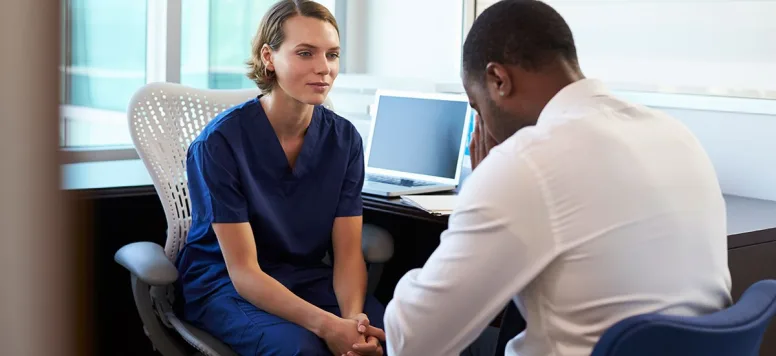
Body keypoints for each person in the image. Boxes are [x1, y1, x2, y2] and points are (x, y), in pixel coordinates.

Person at [377, 1, 733, 355]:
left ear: (498, 80)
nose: (481, 124)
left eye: (476, 106)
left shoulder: (525, 164)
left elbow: (413, 342)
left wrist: (482, 189)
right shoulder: (676, 135)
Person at [175, 1, 385, 355]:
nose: (324, 68)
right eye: (305, 53)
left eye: (332, 55)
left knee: (395, 335)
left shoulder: (344, 140)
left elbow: (348, 255)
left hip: (303, 278)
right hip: (227, 286)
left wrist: (354, 323)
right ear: (269, 57)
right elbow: (244, 272)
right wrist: (329, 326)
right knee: (302, 349)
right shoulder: (219, 144)